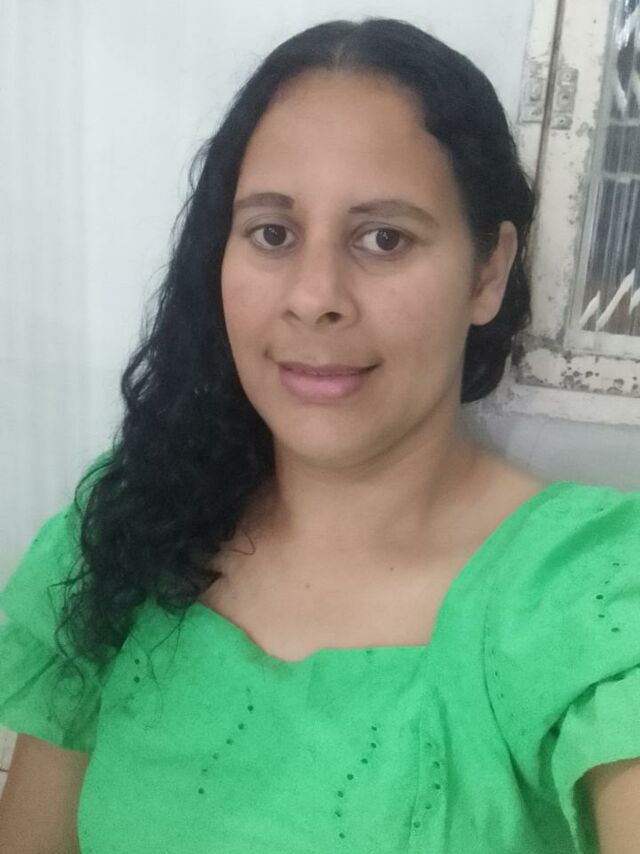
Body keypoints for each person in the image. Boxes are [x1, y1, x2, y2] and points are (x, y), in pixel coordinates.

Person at [0, 16, 638, 854]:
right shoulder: (130, 527)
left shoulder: (589, 593)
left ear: (488, 271)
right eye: (272, 233)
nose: (314, 297)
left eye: (383, 238)